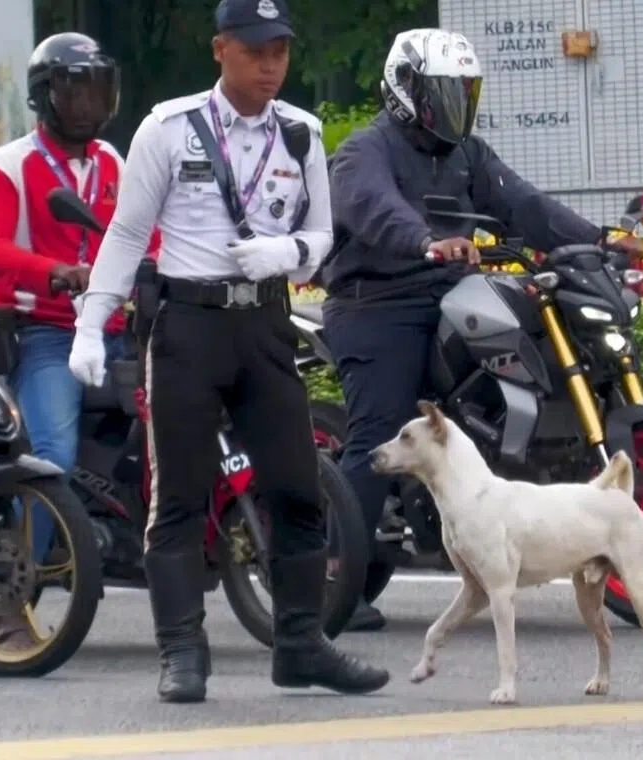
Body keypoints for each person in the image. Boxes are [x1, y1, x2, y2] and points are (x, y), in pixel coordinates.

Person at [68, 0, 390, 703]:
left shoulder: (302, 134)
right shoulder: (170, 127)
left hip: (266, 323)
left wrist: (288, 250)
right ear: (221, 50)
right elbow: (126, 234)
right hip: (189, 325)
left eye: (280, 51)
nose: (271, 66)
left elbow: (323, 237)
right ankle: (182, 652)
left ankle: (300, 643)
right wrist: (93, 323)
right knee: (178, 498)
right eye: (255, 51)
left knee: (298, 490)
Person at [321, 28, 612, 632]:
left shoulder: (466, 155)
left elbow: (523, 203)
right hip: (378, 303)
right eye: (442, 92)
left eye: (462, 92)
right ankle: (328, 573)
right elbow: (378, 209)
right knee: (380, 423)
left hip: (447, 292)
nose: (455, 104)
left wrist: (599, 240)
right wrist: (428, 243)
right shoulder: (363, 153)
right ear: (406, 91)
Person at [0, 32, 156, 648]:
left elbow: (141, 234)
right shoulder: (8, 165)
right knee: (50, 452)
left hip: (113, 328)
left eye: (97, 89)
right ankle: (5, 597)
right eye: (75, 90)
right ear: (45, 96)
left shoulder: (113, 161)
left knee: (184, 414)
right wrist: (53, 271)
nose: (88, 103)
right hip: (43, 332)